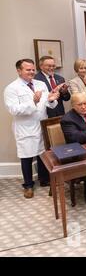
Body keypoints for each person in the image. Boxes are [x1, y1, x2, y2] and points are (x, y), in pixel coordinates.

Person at [4, 59, 59, 198]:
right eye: (28, 69)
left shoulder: (40, 84)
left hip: (41, 124)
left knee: (43, 154)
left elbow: (48, 103)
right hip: (25, 128)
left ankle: (44, 179)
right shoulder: (11, 88)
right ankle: (28, 185)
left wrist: (52, 99)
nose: (32, 72)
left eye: (33, 69)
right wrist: (33, 101)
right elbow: (13, 110)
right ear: (19, 71)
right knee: (27, 156)